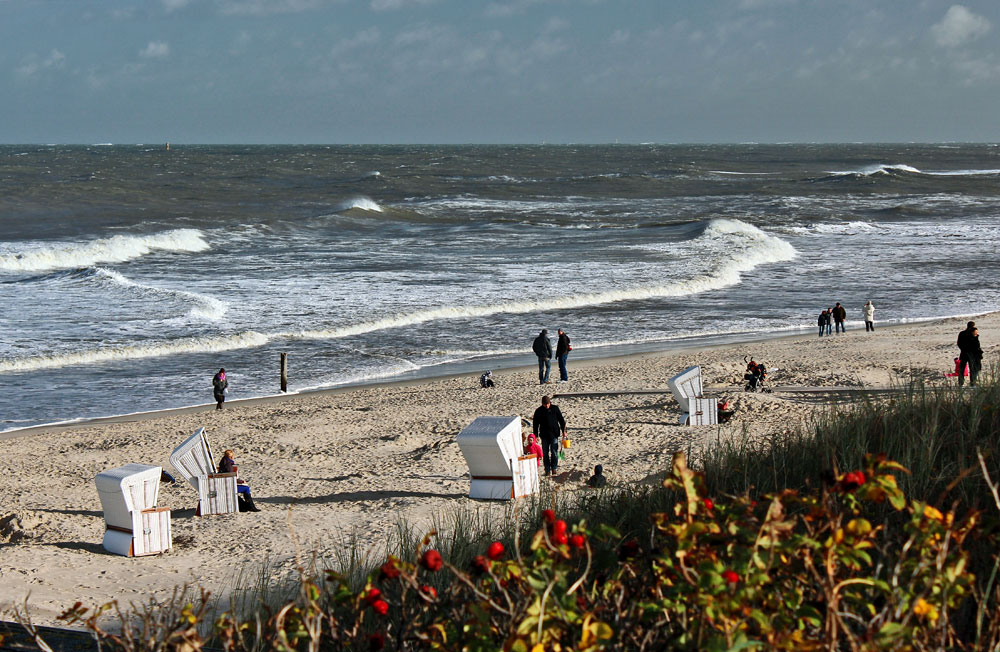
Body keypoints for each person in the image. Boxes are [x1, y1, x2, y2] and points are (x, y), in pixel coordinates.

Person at [532, 395, 566, 476]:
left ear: (550, 402)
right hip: (544, 435)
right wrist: (536, 435)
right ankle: (547, 469)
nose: (547, 406)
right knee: (545, 453)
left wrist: (564, 431)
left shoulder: (555, 408)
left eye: (548, 404)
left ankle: (554, 468)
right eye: (545, 404)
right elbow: (535, 424)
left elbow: (561, 420)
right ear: (542, 404)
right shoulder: (539, 411)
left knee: (554, 452)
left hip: (554, 434)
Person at [957, 321, 983, 387]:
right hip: (971, 354)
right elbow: (977, 345)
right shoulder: (972, 334)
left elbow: (959, 343)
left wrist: (963, 349)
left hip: (963, 353)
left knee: (962, 369)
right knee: (972, 369)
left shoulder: (962, 333)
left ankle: (960, 383)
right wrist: (976, 336)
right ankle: (972, 383)